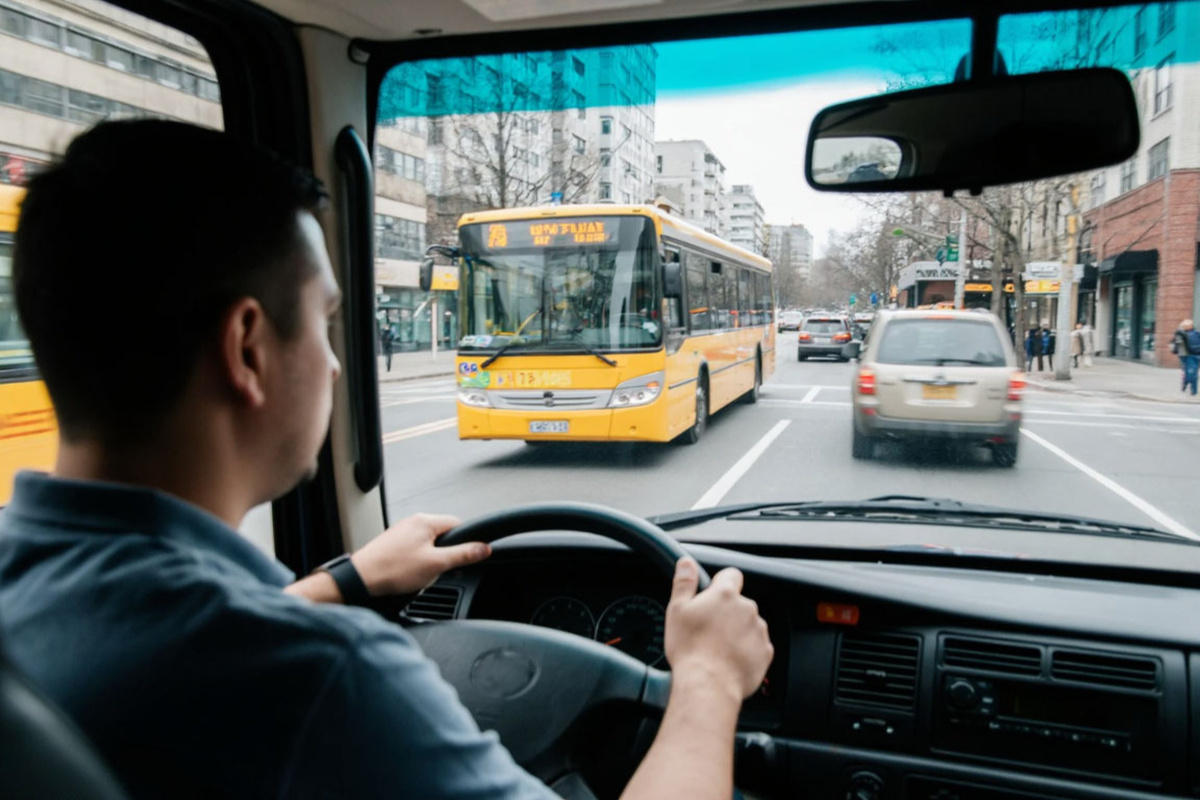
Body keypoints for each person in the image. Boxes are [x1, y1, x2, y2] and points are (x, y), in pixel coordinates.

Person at [0, 120, 774, 800]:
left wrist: (346, 581)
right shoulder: (322, 680)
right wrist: (708, 680)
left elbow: (158, 656)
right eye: (325, 323)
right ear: (247, 348)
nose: (337, 367)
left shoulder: (32, 580)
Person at [1172, 319, 1200, 396]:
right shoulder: (1181, 334)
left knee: (1192, 373)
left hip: (1195, 355)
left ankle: (1190, 387)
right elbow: (1177, 344)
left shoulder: (1196, 333)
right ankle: (1192, 389)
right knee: (1192, 373)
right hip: (1187, 356)